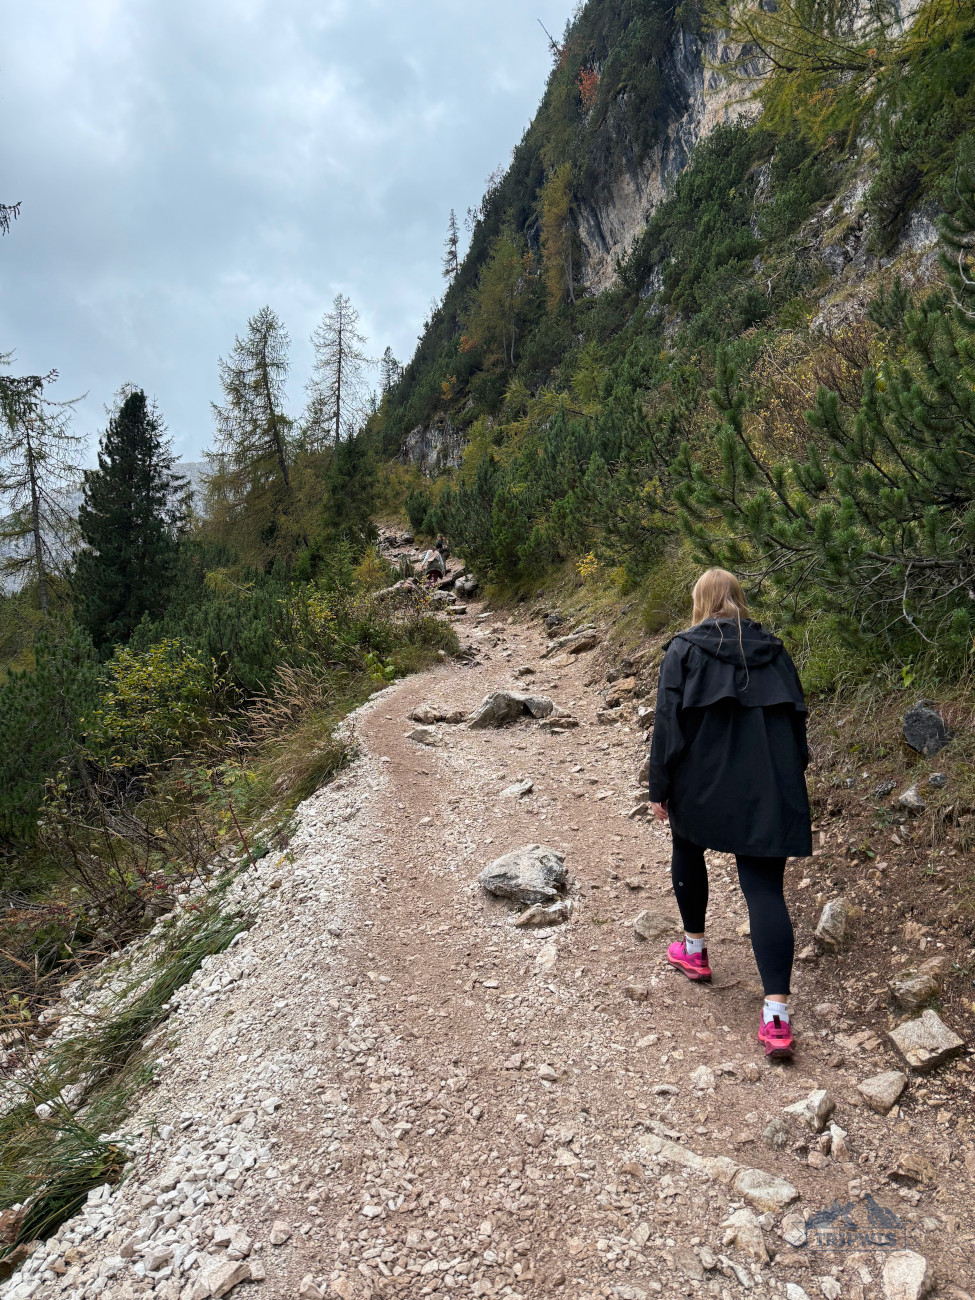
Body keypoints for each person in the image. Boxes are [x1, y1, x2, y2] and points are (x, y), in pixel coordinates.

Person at [646, 568, 811, 1060]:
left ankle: (694, 951)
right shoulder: (775, 650)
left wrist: (660, 785)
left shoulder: (684, 649)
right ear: (738, 599)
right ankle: (776, 1018)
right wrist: (792, 773)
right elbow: (798, 718)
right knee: (764, 889)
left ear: (701, 602)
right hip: (770, 783)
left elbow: (667, 725)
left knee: (687, 847)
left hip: (704, 781)